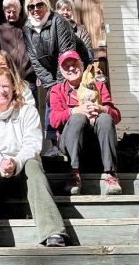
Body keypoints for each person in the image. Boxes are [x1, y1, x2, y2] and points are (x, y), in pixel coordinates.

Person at [0, 68, 68, 248]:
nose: (1, 91)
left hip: (23, 177)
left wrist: (15, 162)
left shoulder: (28, 112)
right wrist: (1, 163)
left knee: (33, 165)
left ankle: (53, 230)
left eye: (6, 86)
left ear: (13, 88)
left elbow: (32, 145)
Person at [49, 50, 122, 196]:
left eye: (74, 64)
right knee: (77, 118)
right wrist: (74, 111)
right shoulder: (57, 90)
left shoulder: (99, 87)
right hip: (70, 144)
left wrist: (102, 108)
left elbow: (116, 116)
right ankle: (74, 174)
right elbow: (54, 120)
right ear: (61, 71)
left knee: (105, 118)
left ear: (82, 65)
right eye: (66, 66)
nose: (71, 68)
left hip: (96, 143)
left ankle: (110, 175)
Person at [23, 0, 75, 157]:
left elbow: (65, 52)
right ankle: (55, 145)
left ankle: (70, 147)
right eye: (31, 7)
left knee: (67, 104)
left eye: (39, 5)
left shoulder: (58, 21)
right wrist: (51, 85)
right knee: (52, 100)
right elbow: (34, 60)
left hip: (70, 67)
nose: (36, 9)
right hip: (50, 74)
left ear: (46, 4)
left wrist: (59, 83)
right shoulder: (28, 28)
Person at [0, 0, 37, 100]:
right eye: (8, 12)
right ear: (4, 11)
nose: (11, 15)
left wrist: (38, 74)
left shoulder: (30, 26)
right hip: (8, 80)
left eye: (14, 11)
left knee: (31, 112)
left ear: (20, 9)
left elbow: (38, 51)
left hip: (29, 80)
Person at [55, 0, 93, 65]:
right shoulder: (52, 30)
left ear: (72, 12)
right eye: (62, 9)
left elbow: (88, 52)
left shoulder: (81, 29)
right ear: (57, 11)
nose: (65, 12)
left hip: (77, 65)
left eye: (68, 10)